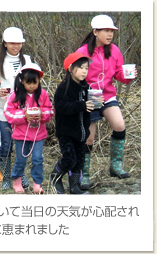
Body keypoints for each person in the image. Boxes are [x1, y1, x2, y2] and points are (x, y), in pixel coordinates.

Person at [76, 14, 137, 190]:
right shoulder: (82, 52)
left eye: (111, 31)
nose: (110, 34)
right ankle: (84, 173)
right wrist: (84, 93)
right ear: (95, 32)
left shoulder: (115, 50)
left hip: (108, 94)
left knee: (119, 125)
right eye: (106, 31)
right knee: (89, 137)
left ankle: (115, 166)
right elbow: (73, 74)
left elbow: (118, 74)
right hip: (90, 95)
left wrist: (127, 77)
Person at [0, 27, 32, 190]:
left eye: (19, 43)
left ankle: (20, 175)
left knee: (22, 144)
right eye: (12, 43)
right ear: (5, 43)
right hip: (4, 110)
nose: (16, 46)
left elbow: (35, 80)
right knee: (6, 144)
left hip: (23, 109)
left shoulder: (27, 60)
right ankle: (6, 176)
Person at [4, 63, 54, 194]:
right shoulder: (15, 96)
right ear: (22, 82)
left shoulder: (43, 94)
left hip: (38, 134)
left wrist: (41, 113)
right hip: (21, 135)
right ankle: (17, 181)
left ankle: (37, 184)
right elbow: (8, 113)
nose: (32, 86)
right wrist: (24, 115)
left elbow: (50, 110)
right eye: (28, 83)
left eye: (35, 83)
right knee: (21, 159)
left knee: (38, 159)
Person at [50, 52, 94, 194]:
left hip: (81, 132)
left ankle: (75, 186)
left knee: (80, 161)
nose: (84, 71)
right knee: (70, 159)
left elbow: (89, 106)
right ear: (70, 68)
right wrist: (80, 105)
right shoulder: (64, 88)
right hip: (66, 132)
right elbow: (61, 107)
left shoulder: (86, 88)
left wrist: (98, 103)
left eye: (86, 68)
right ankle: (55, 177)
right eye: (81, 68)